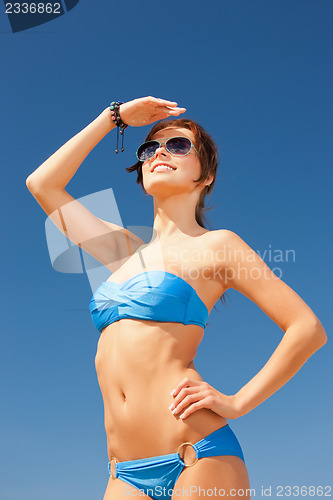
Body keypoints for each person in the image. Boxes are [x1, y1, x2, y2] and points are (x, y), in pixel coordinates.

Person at [26, 96, 327, 500]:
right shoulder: (122, 251)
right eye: (150, 148)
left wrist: (237, 402)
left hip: (197, 456)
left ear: (206, 177)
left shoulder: (219, 246)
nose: (160, 153)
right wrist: (114, 118)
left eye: (179, 146)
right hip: (122, 472)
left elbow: (307, 329)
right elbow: (42, 184)